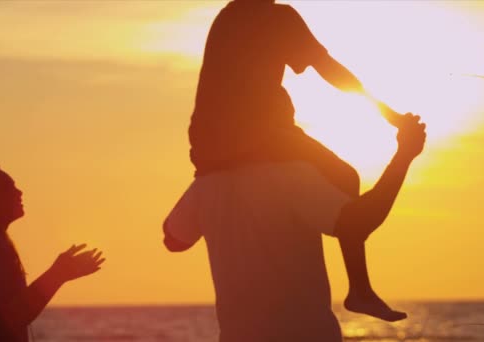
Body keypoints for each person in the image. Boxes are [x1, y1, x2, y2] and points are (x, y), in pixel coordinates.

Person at [186, 0, 411, 322]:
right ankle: (360, 290)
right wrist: (387, 113)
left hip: (207, 144)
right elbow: (327, 67)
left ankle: (354, 290)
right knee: (345, 176)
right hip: (256, 135)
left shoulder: (227, 16)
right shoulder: (278, 16)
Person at [164, 114, 426, 341]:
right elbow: (359, 224)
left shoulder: (207, 185)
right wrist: (403, 156)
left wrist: (203, 175)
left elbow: (174, 241)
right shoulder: (292, 177)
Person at [0, 167, 105, 342]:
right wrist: (58, 274)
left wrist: (60, 273)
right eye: (7, 188)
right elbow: (10, 318)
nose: (19, 192)